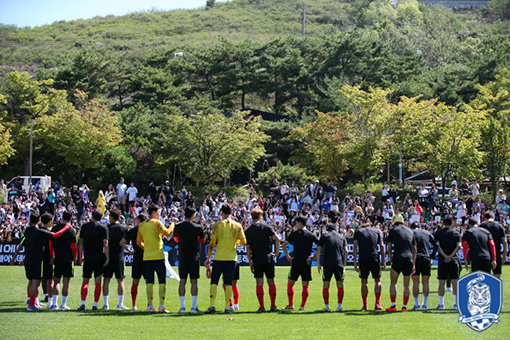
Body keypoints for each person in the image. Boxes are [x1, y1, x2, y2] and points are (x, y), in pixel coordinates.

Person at [10, 213, 71, 311]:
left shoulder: (27, 231)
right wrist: (66, 227)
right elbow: (55, 235)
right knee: (36, 282)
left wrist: (14, 259)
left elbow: (21, 245)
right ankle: (32, 305)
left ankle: (32, 302)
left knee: (31, 281)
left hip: (28, 259)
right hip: (37, 260)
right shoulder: (40, 232)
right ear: (39, 221)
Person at [204, 204, 246, 314]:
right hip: (232, 259)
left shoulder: (217, 225)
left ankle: (212, 306)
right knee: (228, 283)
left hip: (218, 258)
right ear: (231, 213)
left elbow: (212, 242)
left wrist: (208, 258)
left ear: (221, 212)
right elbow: (243, 242)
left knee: (214, 282)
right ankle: (228, 308)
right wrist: (235, 241)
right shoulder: (237, 225)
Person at [137, 205, 174, 313]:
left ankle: (151, 306)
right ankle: (161, 306)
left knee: (150, 282)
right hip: (158, 256)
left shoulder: (142, 225)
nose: (159, 213)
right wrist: (173, 224)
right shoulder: (157, 222)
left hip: (147, 257)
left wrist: (147, 248)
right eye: (158, 211)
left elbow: (138, 242)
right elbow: (167, 233)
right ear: (153, 212)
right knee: (162, 281)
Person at [245, 207, 281, 313]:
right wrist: (277, 253)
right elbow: (278, 239)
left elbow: (248, 248)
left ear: (252, 217)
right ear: (261, 216)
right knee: (271, 281)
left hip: (256, 258)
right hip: (268, 257)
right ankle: (273, 306)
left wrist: (250, 262)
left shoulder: (249, 230)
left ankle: (261, 307)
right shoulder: (267, 227)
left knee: (259, 282)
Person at [282, 216, 319, 311]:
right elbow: (320, 245)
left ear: (299, 223)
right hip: (307, 261)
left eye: (295, 223)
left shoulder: (295, 234)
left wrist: (288, 256)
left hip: (296, 261)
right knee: (305, 284)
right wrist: (314, 256)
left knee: (290, 283)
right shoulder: (311, 235)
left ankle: (291, 304)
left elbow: (284, 244)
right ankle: (302, 306)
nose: (295, 225)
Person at [173, 207, 205, 314]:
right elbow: (202, 240)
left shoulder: (178, 226)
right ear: (193, 215)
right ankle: (193, 307)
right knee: (194, 281)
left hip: (182, 257)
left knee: (182, 281)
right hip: (194, 257)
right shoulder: (197, 227)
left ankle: (182, 307)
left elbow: (176, 239)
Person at [78, 210, 109, 310]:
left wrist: (80, 256)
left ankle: (83, 302)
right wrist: (107, 257)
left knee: (85, 280)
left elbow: (81, 243)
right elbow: (106, 244)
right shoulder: (103, 228)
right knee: (98, 281)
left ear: (92, 216)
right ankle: (95, 304)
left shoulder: (85, 227)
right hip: (99, 257)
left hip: (88, 257)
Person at [103, 209, 132, 310]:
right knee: (120, 280)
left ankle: (106, 304)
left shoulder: (106, 228)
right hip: (119, 257)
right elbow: (125, 241)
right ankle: (120, 304)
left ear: (111, 217)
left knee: (106, 280)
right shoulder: (123, 228)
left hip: (108, 256)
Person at [353, 222, 386, 311]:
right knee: (377, 280)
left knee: (364, 281)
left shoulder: (358, 232)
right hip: (374, 257)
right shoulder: (377, 231)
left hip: (363, 258)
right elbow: (382, 246)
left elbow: (355, 246)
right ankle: (377, 303)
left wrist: (355, 262)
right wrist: (383, 260)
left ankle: (365, 305)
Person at [316, 223, 348, 312]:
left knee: (326, 284)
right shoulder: (342, 237)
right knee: (340, 285)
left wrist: (318, 264)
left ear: (327, 229)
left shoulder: (324, 236)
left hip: (327, 264)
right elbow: (346, 251)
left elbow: (318, 250)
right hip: (339, 263)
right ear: (336, 229)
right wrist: (344, 265)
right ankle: (339, 306)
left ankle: (327, 306)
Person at [386, 221, 417, 312]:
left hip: (398, 257)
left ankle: (393, 306)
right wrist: (414, 263)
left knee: (393, 282)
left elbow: (389, 247)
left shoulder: (393, 230)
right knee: (407, 284)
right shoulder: (410, 231)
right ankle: (404, 307)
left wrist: (391, 258)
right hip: (409, 258)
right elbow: (415, 248)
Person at [51, 211, 77, 311]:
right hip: (67, 259)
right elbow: (73, 246)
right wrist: (75, 257)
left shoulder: (55, 228)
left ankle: (54, 304)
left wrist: (52, 256)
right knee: (66, 282)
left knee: (56, 281)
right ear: (71, 219)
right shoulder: (71, 230)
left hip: (57, 257)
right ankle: (63, 304)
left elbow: (51, 244)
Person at [434, 215, 461, 310]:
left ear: (443, 223)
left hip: (442, 260)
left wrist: (445, 256)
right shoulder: (456, 233)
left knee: (441, 282)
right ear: (452, 223)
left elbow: (437, 246)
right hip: (453, 260)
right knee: (454, 281)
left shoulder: (438, 233)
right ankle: (456, 304)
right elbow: (458, 246)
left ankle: (441, 304)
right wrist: (451, 256)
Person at [410, 222, 436, 311]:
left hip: (415, 258)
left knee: (415, 282)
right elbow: (436, 245)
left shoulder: (411, 233)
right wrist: (432, 257)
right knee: (425, 282)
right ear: (420, 226)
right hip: (426, 258)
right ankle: (424, 304)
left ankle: (416, 304)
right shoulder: (427, 233)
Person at [126, 214, 146, 310]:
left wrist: (129, 251)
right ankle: (149, 305)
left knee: (135, 282)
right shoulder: (148, 230)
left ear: (138, 220)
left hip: (137, 258)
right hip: (147, 258)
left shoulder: (133, 231)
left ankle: (134, 305)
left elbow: (122, 242)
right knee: (148, 283)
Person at [480, 211, 508, 279]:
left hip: (485, 254)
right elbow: (504, 241)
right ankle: (497, 289)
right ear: (494, 217)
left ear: (485, 218)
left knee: (484, 276)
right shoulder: (499, 226)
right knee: (497, 276)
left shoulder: (482, 226)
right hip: (496, 253)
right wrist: (504, 255)